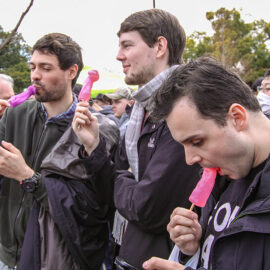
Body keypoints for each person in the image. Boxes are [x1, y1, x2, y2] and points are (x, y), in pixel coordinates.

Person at [72, 9, 201, 270]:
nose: (118, 56)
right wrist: (94, 146)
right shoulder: (140, 110)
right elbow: (112, 186)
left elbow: (148, 209)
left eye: (127, 45)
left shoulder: (183, 108)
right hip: (128, 251)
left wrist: (124, 177)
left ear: (160, 46)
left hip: (162, 259)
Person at [0, 33, 118, 270]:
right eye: (33, 67)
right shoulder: (15, 115)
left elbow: (92, 207)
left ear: (72, 72)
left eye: (45, 68)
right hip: (6, 252)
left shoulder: (95, 129)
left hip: (55, 257)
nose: (35, 75)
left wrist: (27, 175)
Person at [142, 56, 270, 270]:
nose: (189, 159)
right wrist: (192, 250)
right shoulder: (224, 174)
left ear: (237, 118)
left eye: (197, 141)